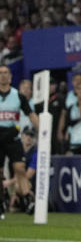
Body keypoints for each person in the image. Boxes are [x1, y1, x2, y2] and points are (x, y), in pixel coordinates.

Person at [0, 65, 38, 213]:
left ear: (10, 76)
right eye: (0, 73)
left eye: (5, 73)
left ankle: (28, 198)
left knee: (20, 169)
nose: (3, 76)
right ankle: (3, 198)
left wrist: (43, 129)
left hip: (12, 136)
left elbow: (31, 114)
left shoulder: (18, 96)